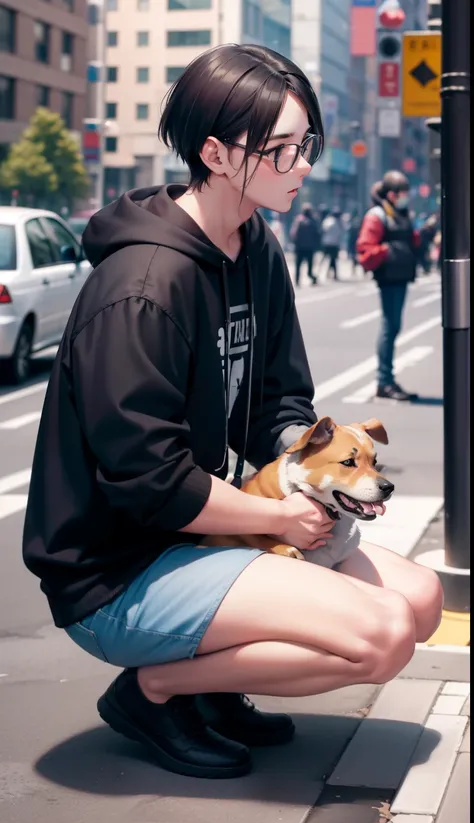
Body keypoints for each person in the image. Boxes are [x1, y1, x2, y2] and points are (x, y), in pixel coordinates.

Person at [23, 45, 443, 780]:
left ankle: (212, 685)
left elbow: (279, 403)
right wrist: (282, 520)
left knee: (422, 601)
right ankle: (156, 690)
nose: (303, 164)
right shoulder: (143, 288)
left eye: (305, 143)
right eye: (282, 149)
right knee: (382, 636)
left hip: (214, 536)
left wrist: (311, 471)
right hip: (120, 572)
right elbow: (147, 481)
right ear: (215, 152)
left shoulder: (256, 247)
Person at [357, 171, 421, 402]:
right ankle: (384, 381)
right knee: (390, 326)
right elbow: (365, 251)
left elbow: (410, 240)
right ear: (392, 194)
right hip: (389, 278)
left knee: (393, 327)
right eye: (403, 194)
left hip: (401, 276)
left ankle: (386, 380)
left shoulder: (401, 213)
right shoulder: (377, 216)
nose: (406, 198)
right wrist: (388, 250)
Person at [289, 202, 321, 286]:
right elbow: (317, 234)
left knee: (298, 266)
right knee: (308, 267)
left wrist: (295, 243)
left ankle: (297, 281)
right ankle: (311, 278)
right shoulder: (313, 221)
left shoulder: (299, 220)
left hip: (300, 247)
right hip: (309, 247)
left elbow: (293, 234)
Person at [321, 206, 344, 280]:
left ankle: (328, 273)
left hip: (328, 243)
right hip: (333, 243)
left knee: (330, 259)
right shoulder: (338, 222)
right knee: (332, 259)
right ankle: (330, 274)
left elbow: (323, 230)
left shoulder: (328, 221)